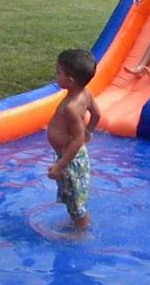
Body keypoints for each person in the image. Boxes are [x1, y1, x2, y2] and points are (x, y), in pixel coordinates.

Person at [47, 49, 101, 229]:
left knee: (76, 204)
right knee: (73, 197)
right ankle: (76, 224)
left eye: (58, 72)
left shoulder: (70, 107)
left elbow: (77, 140)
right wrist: (89, 131)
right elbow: (96, 114)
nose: (55, 74)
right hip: (71, 156)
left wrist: (60, 165)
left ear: (70, 81)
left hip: (70, 160)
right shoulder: (86, 94)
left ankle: (81, 233)